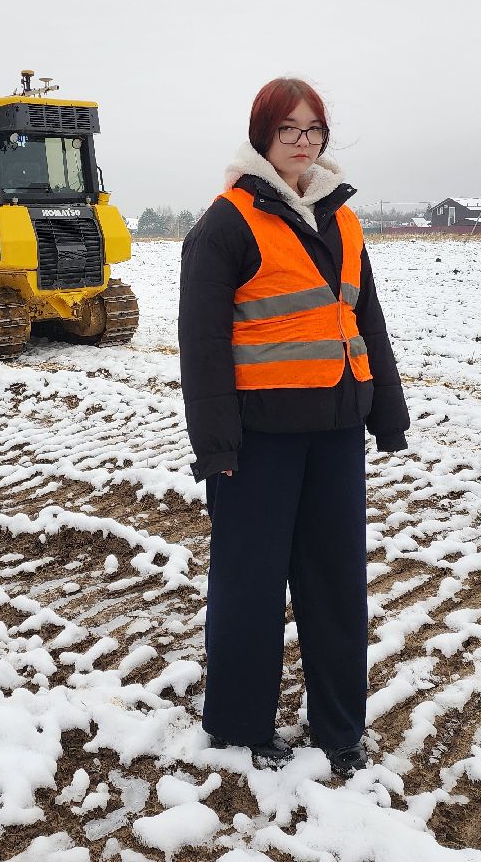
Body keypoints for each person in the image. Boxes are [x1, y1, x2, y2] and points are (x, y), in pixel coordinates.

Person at [178, 76, 411, 777]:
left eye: (313, 130)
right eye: (289, 130)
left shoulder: (340, 215)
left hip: (336, 429)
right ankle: (241, 724)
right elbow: (204, 348)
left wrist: (386, 413)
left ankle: (340, 728)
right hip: (259, 440)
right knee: (250, 586)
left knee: (337, 582)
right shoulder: (226, 224)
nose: (303, 142)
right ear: (263, 137)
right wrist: (215, 446)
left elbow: (363, 316)